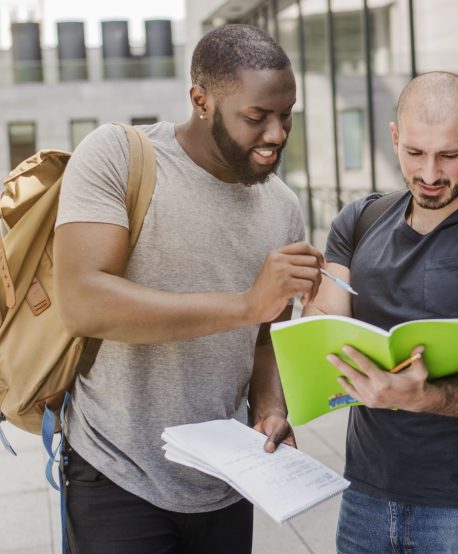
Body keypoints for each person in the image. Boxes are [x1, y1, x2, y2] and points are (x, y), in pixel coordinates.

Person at [53, 24, 323, 553]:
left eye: (286, 114)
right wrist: (245, 304)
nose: (277, 134)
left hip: (225, 481)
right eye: (257, 117)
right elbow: (82, 302)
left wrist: (269, 409)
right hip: (118, 473)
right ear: (201, 100)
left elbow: (266, 336)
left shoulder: (282, 206)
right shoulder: (117, 155)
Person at [305, 71, 458, 553]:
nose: (429, 174)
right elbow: (323, 333)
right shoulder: (357, 221)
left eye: (449, 155)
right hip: (363, 495)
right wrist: (297, 308)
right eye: (415, 153)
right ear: (394, 138)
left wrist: (421, 396)